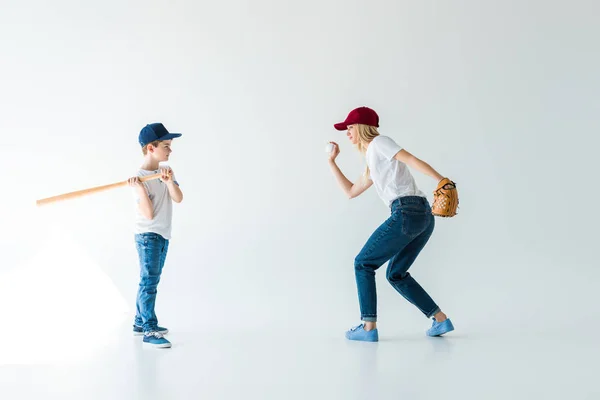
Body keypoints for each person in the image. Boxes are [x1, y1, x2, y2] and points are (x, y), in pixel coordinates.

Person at [327, 106, 454, 342]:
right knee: (396, 274)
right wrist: (332, 162)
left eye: (350, 127)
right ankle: (440, 319)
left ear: (363, 127)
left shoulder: (379, 143)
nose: (347, 132)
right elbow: (351, 192)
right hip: (422, 216)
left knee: (362, 264)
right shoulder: (372, 160)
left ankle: (368, 328)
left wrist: (441, 180)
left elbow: (411, 159)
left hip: (407, 211)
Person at [127, 122, 184, 348]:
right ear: (151, 148)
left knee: (151, 280)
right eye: (166, 145)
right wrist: (139, 189)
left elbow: (178, 198)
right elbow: (148, 214)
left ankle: (140, 322)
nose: (170, 150)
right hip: (148, 235)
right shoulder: (139, 179)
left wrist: (169, 181)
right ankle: (149, 329)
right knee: (148, 282)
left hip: (162, 234)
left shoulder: (165, 173)